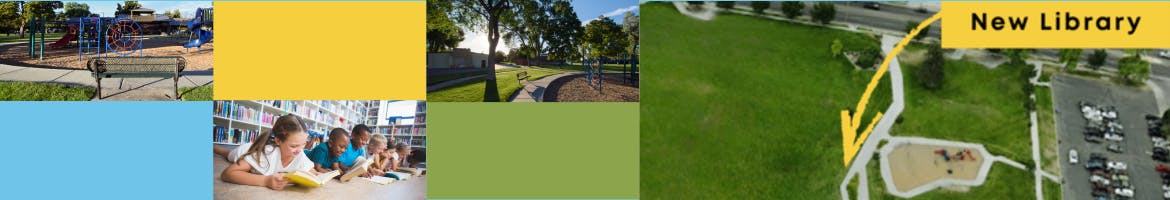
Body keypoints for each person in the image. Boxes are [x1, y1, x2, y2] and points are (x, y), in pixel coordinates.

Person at [219, 114, 315, 190]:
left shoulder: (299, 153)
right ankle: (215, 147)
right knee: (227, 153)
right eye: (293, 146)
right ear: (278, 141)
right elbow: (228, 173)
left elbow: (311, 172)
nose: (300, 150)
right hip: (246, 150)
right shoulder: (267, 153)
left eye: (303, 144)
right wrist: (265, 181)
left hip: (258, 148)